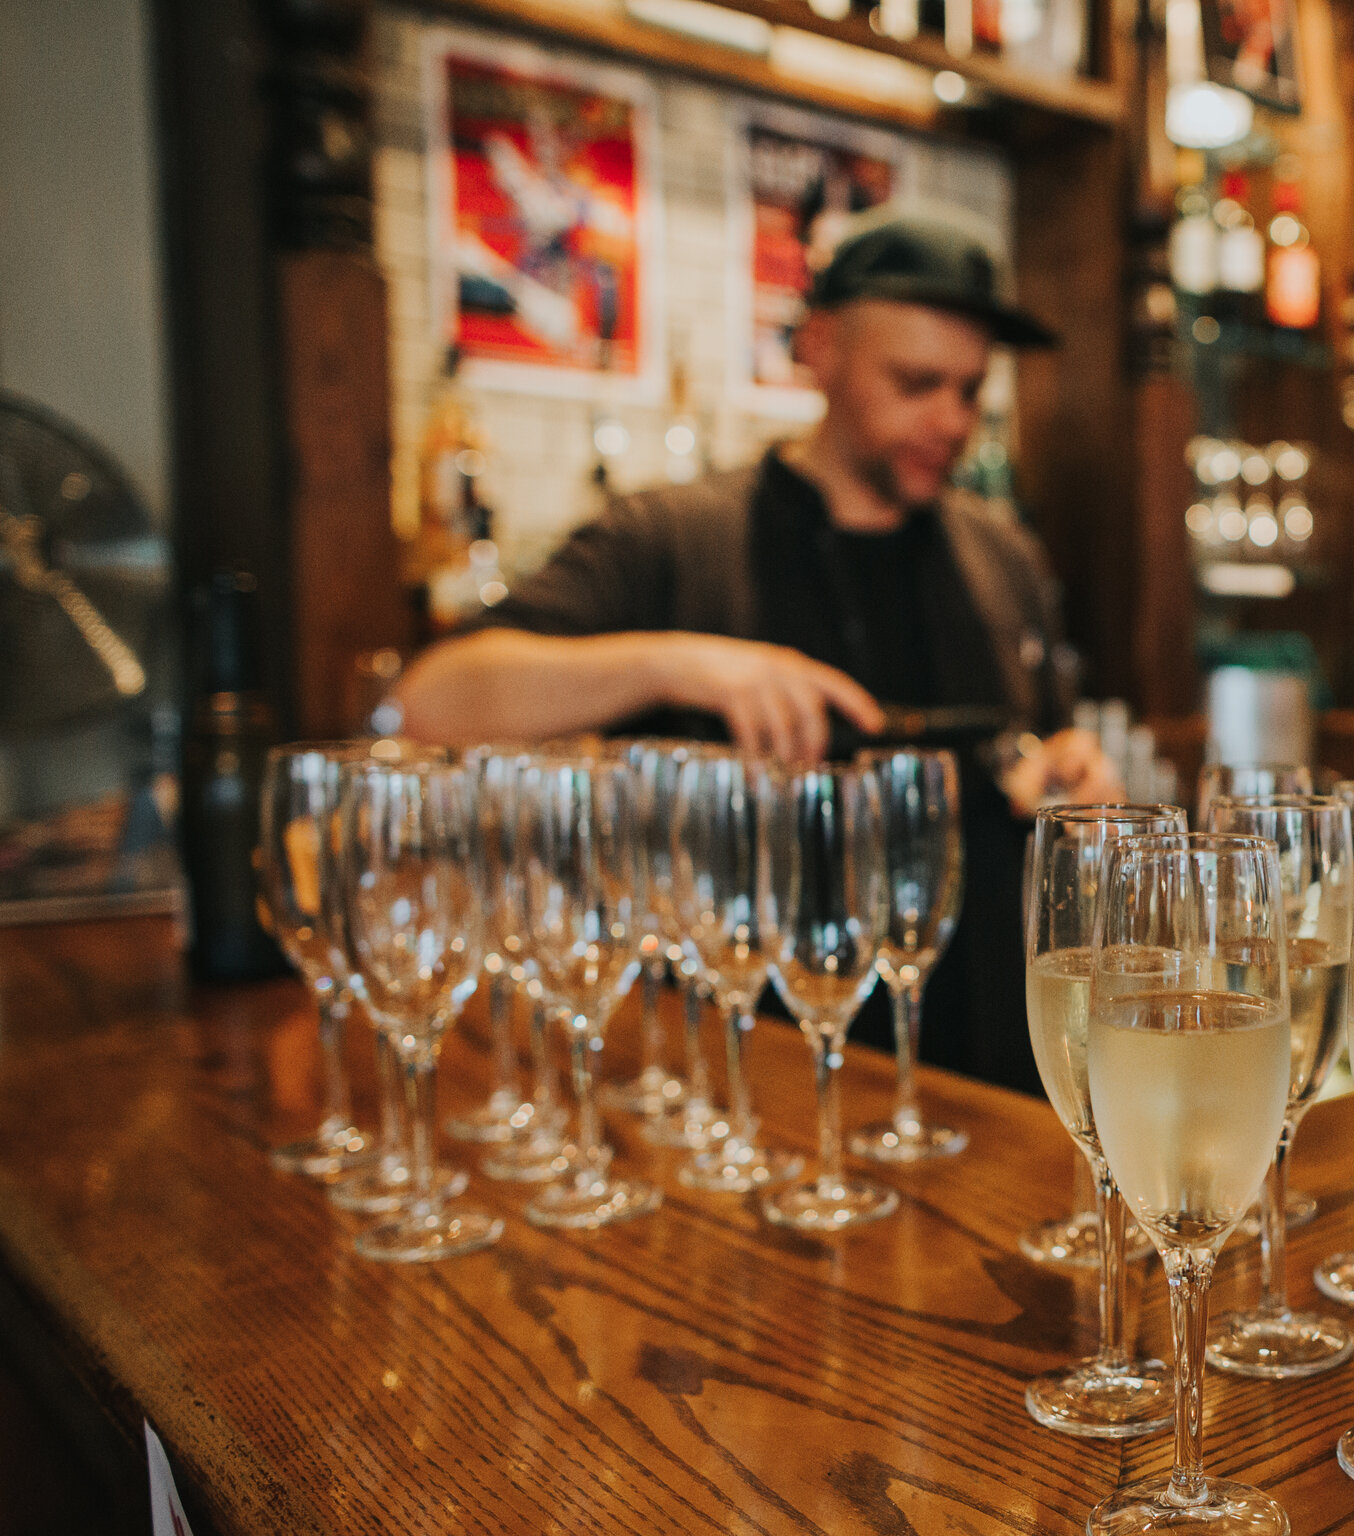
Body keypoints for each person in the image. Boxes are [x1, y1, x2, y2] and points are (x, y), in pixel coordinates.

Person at [396, 215, 1121, 1094]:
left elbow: (1042, 745)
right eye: (917, 381)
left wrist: (1071, 774)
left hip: (989, 1071)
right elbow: (431, 700)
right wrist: (676, 663)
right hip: (746, 1082)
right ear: (820, 349)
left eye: (970, 390)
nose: (951, 420)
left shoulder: (1000, 556)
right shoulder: (673, 537)